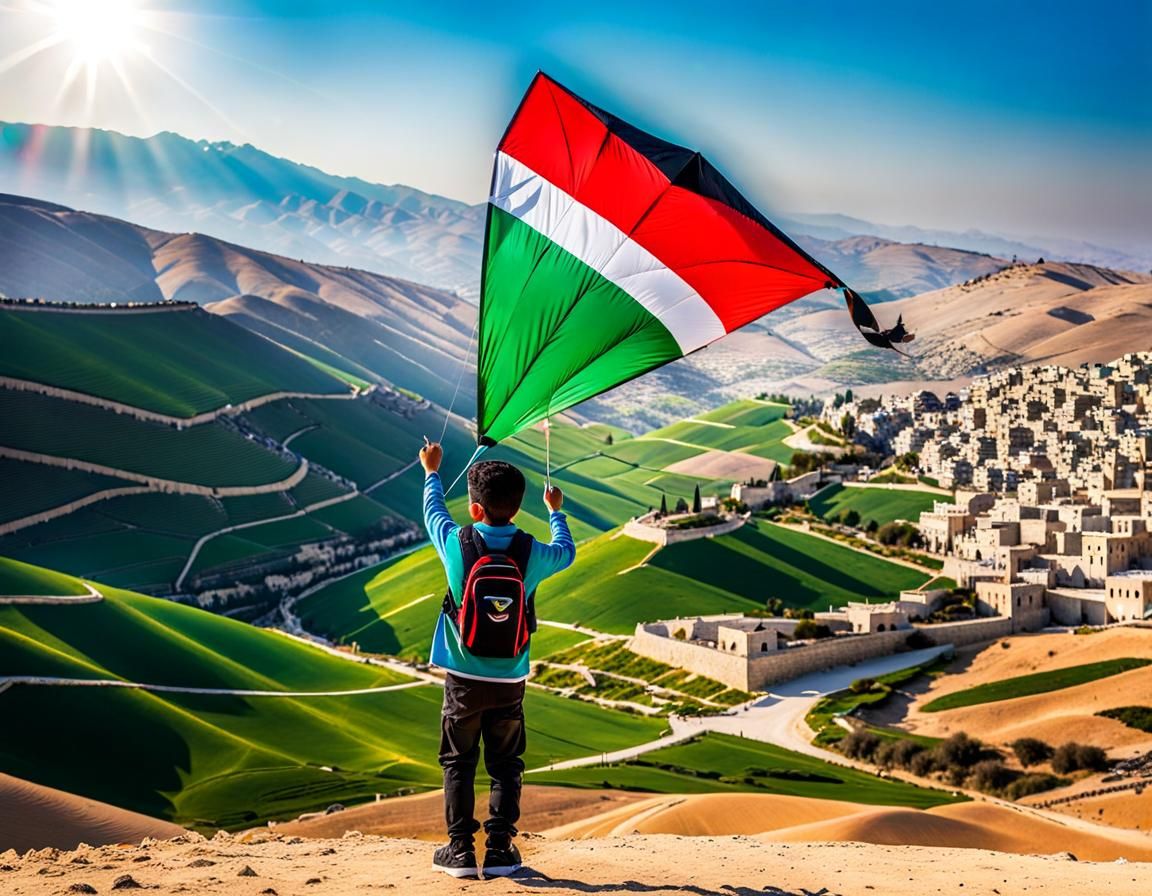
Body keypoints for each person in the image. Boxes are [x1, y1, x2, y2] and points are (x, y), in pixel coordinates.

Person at [419, 440, 575, 879]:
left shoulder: (455, 542)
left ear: (474, 509)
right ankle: (502, 851)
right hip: (511, 679)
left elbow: (432, 512)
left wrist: (432, 470)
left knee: (458, 762)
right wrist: (556, 511)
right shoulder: (532, 552)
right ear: (517, 507)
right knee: (506, 764)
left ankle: (460, 853)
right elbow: (567, 550)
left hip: (462, 677)